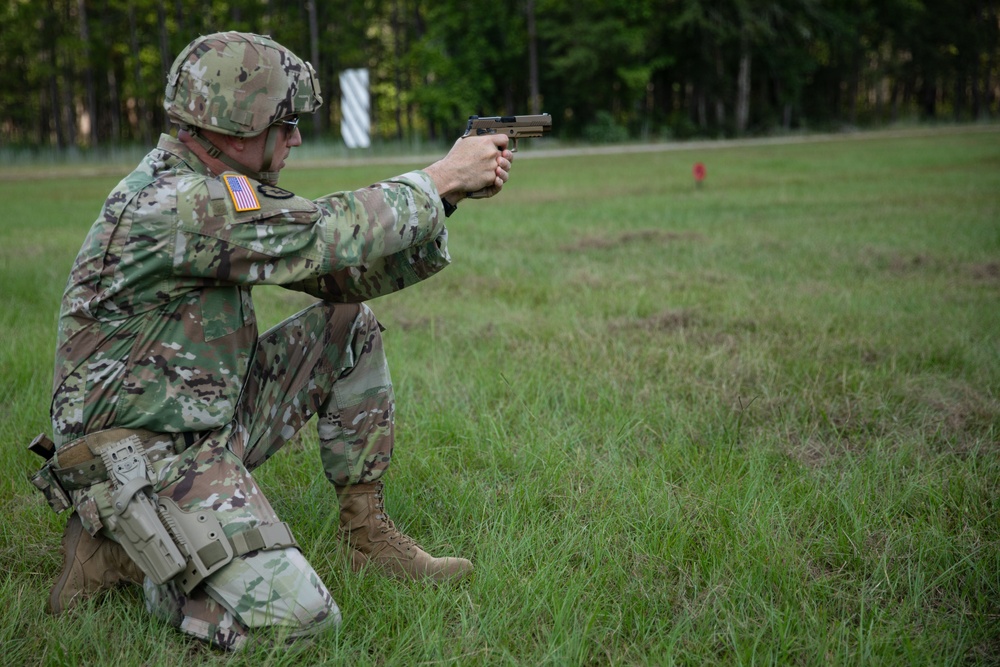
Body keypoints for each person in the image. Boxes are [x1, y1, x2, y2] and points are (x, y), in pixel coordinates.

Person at [29, 31, 512, 650]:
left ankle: (367, 541)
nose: (297, 138)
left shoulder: (213, 190)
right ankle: (129, 558)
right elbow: (325, 232)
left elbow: (334, 270)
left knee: (347, 323)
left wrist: (445, 200)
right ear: (236, 128)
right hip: (137, 459)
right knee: (302, 622)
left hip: (201, 419)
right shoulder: (177, 204)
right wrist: (441, 175)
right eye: (285, 124)